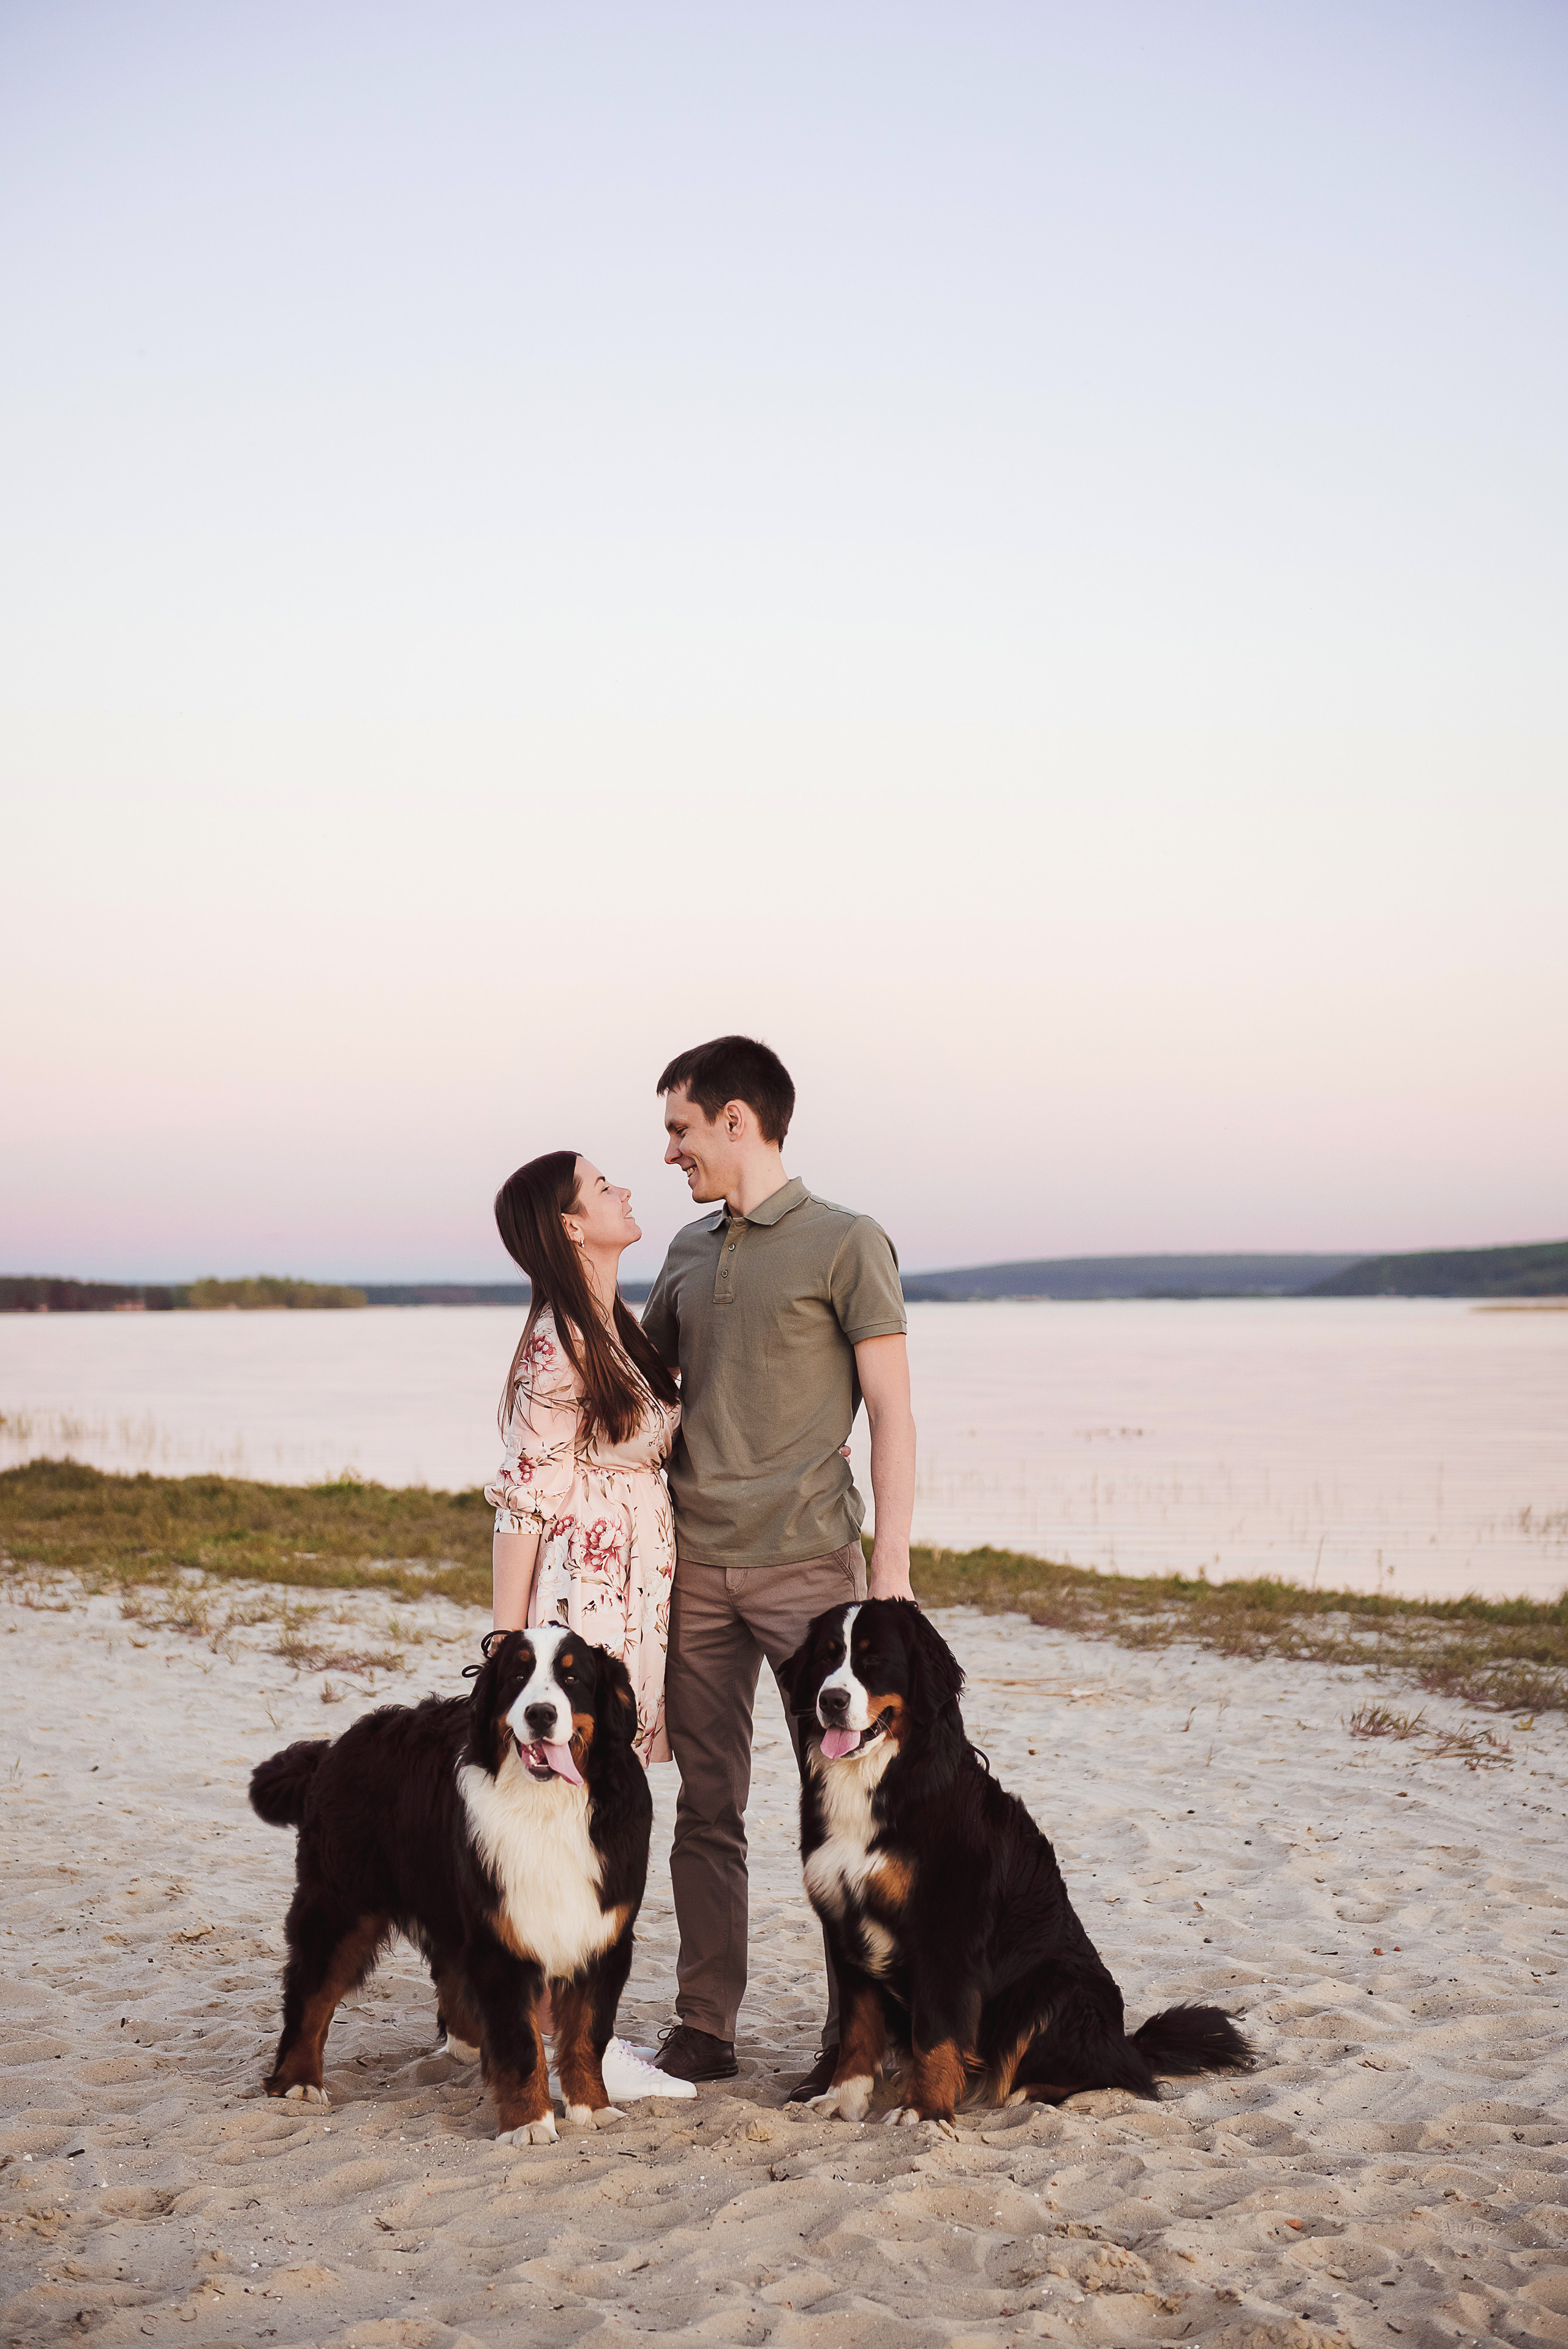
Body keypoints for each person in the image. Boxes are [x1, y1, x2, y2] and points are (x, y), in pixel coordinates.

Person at [639, 1036, 917, 2098]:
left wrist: (887, 1569)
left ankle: (870, 2028)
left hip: (814, 1574)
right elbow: (644, 1388)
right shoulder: (685, 1252)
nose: (672, 1152)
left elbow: (891, 1414)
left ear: (737, 1121)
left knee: (848, 1802)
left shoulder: (848, 1243)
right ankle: (706, 2024)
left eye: (681, 1128)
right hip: (696, 1569)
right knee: (709, 1806)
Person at [483, 1148, 694, 2103]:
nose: (625, 1190)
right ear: (571, 1225)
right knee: (566, 1818)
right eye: (603, 1186)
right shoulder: (555, 1342)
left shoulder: (614, 1324)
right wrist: (508, 1645)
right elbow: (524, 1501)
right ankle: (556, 2047)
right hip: (583, 1594)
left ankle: (578, 2037)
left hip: (640, 1588)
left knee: (603, 1803)